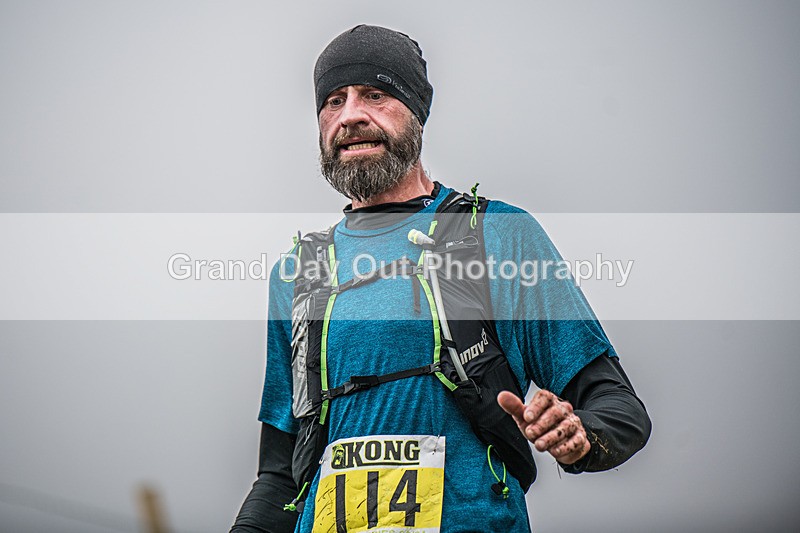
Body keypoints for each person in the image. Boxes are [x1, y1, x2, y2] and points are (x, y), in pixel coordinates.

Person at [232, 24, 651, 533]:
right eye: (333, 101)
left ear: (416, 114)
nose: (350, 116)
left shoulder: (495, 235)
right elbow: (279, 476)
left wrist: (582, 433)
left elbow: (620, 409)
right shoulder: (298, 274)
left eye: (375, 95)